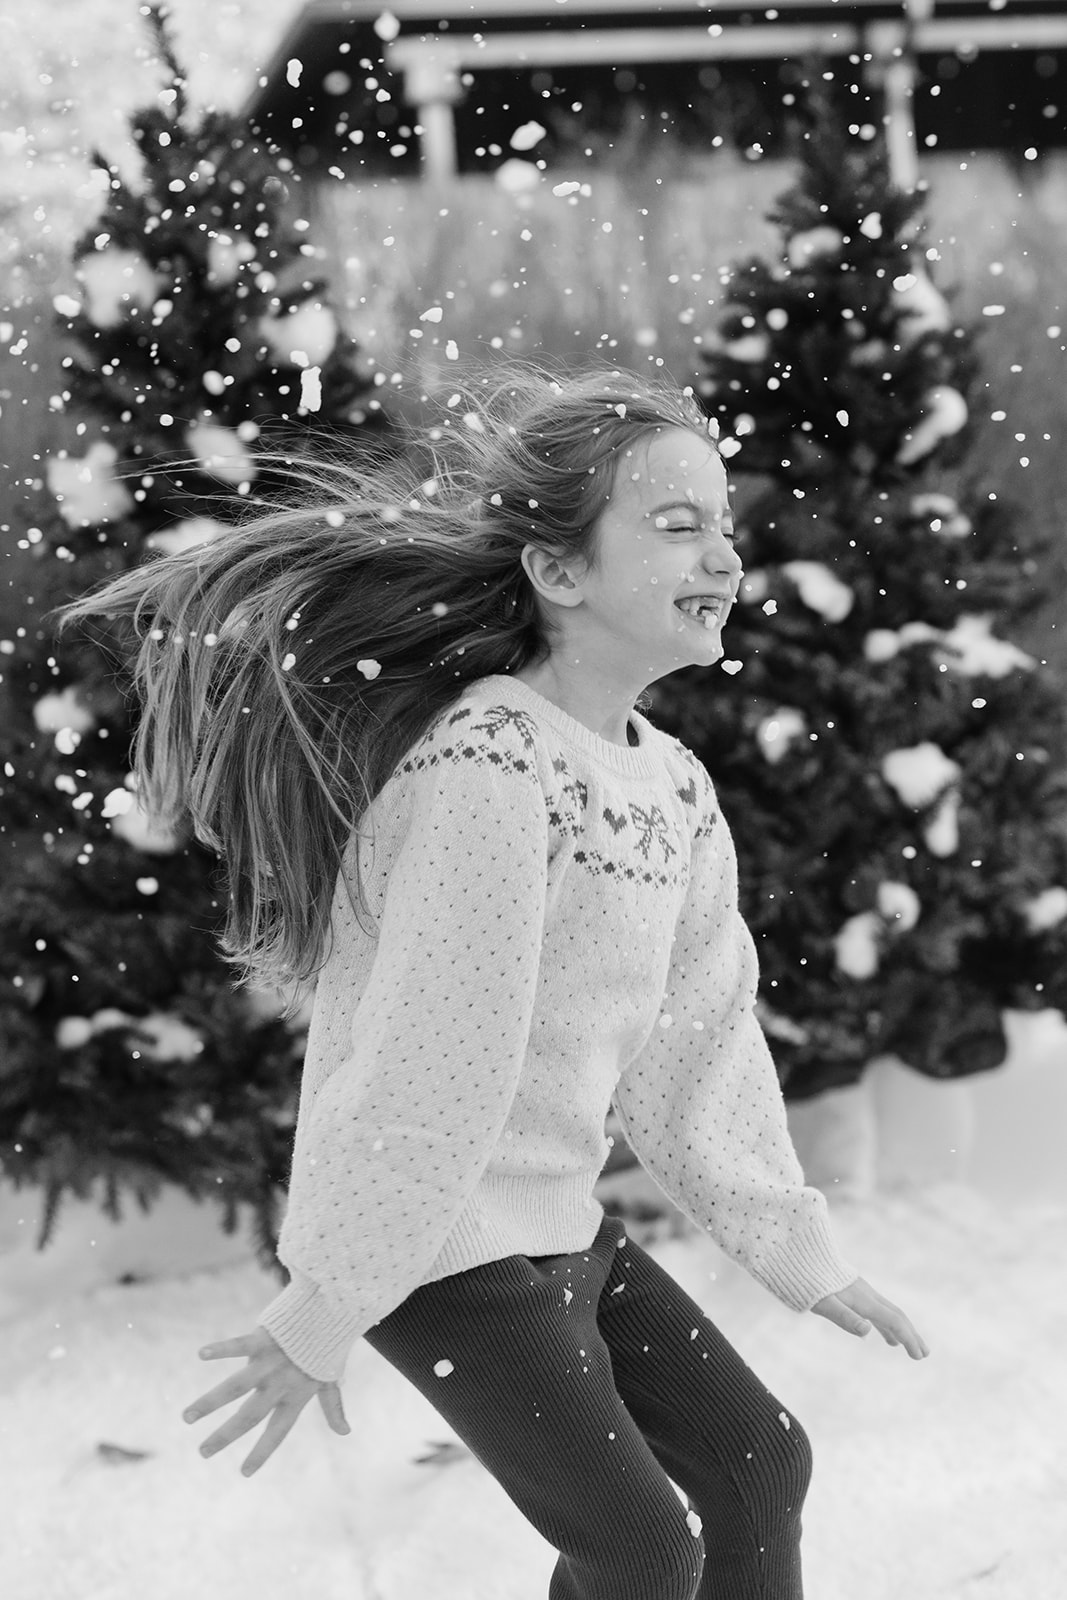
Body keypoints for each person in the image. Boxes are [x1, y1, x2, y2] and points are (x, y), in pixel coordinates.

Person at [63, 365, 929, 1600]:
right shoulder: (491, 764)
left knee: (756, 1463)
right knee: (638, 1549)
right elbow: (434, 1064)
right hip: (437, 1245)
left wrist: (797, 1246)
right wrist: (332, 1301)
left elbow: (698, 1040)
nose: (724, 557)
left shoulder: (669, 785)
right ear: (560, 573)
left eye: (725, 526)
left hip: (552, 1220)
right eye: (677, 525)